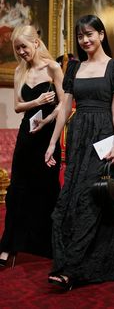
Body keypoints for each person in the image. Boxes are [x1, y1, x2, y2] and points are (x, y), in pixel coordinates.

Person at [45, 14, 114, 290]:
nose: (85, 40)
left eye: (90, 34)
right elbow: (65, 108)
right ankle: (85, 261)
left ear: (101, 34)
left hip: (104, 137)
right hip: (78, 137)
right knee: (69, 200)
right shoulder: (73, 68)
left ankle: (69, 269)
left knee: (91, 198)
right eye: (81, 36)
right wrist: (52, 144)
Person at [0, 25, 64, 266]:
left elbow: (63, 105)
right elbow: (17, 106)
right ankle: (9, 245)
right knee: (17, 191)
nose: (21, 52)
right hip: (27, 136)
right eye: (17, 49)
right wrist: (36, 101)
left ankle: (48, 245)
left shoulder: (53, 68)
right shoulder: (20, 71)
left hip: (48, 137)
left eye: (23, 47)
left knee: (47, 189)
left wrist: (47, 119)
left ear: (36, 43)